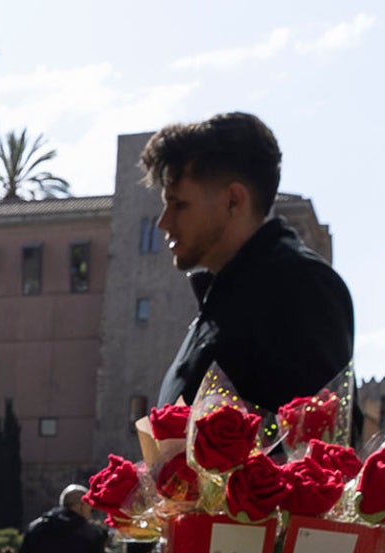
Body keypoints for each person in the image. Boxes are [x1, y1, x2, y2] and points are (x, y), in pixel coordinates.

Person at [143, 113, 354, 414]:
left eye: (179, 204)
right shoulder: (226, 295)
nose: (163, 223)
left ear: (233, 200)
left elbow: (320, 444)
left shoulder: (300, 287)